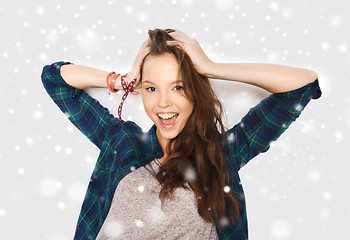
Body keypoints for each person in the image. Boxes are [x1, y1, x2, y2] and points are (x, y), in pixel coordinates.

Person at [41, 28, 322, 240]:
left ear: (195, 92)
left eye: (178, 87)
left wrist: (210, 67)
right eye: (152, 88)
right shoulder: (122, 142)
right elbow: (54, 79)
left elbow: (302, 85)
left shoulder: (222, 154)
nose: (163, 103)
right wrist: (122, 80)